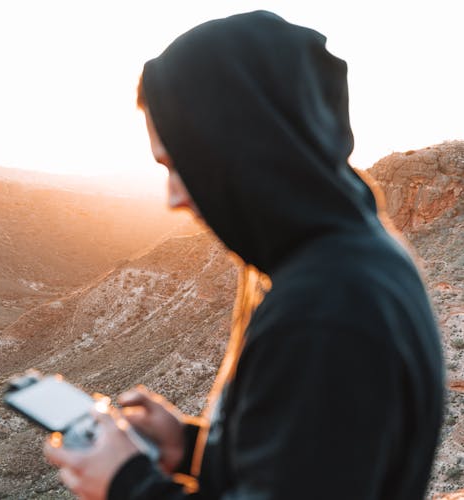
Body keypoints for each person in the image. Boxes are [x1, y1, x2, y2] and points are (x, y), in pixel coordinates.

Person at [44, 10, 444, 499]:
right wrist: (187, 448)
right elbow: (310, 470)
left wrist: (128, 484)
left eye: (179, 165)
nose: (174, 197)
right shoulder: (356, 256)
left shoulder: (324, 309)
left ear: (239, 151)